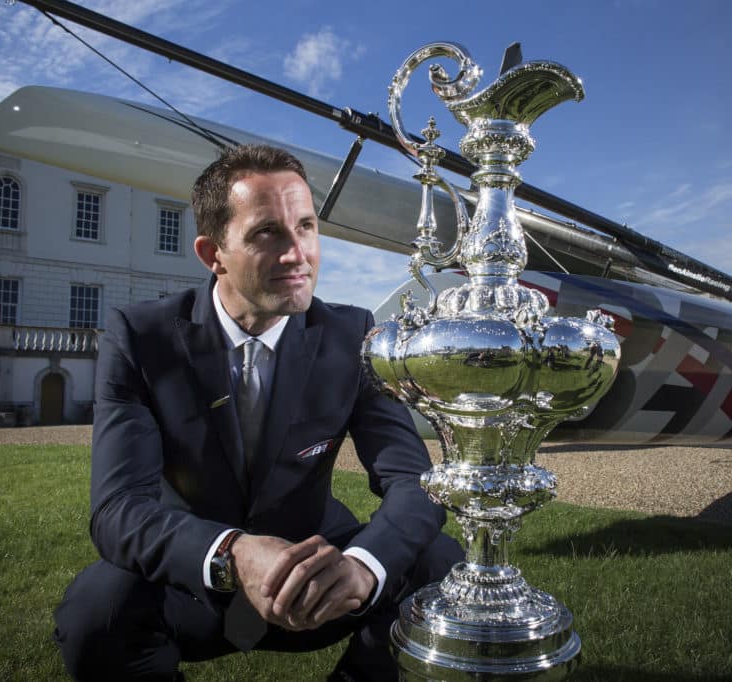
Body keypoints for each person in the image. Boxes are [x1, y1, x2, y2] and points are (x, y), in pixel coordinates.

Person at [53, 144, 462, 681]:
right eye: (268, 233)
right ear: (212, 253)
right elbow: (117, 510)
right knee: (93, 611)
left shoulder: (353, 336)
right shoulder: (140, 338)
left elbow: (414, 481)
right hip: (194, 583)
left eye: (307, 226)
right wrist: (233, 554)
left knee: (440, 562)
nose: (298, 253)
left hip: (321, 580)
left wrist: (362, 568)